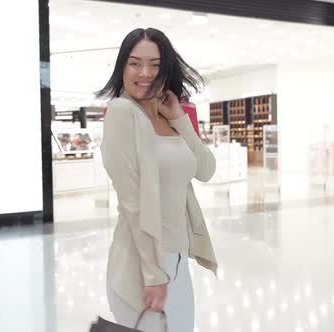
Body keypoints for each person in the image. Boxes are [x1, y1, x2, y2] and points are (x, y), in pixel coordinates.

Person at [97, 27, 218, 332]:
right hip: (142, 265)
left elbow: (205, 169)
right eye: (135, 63)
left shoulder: (167, 115)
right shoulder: (122, 112)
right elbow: (132, 201)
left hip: (176, 262)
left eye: (155, 64)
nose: (145, 73)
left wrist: (179, 119)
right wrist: (154, 275)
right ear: (122, 67)